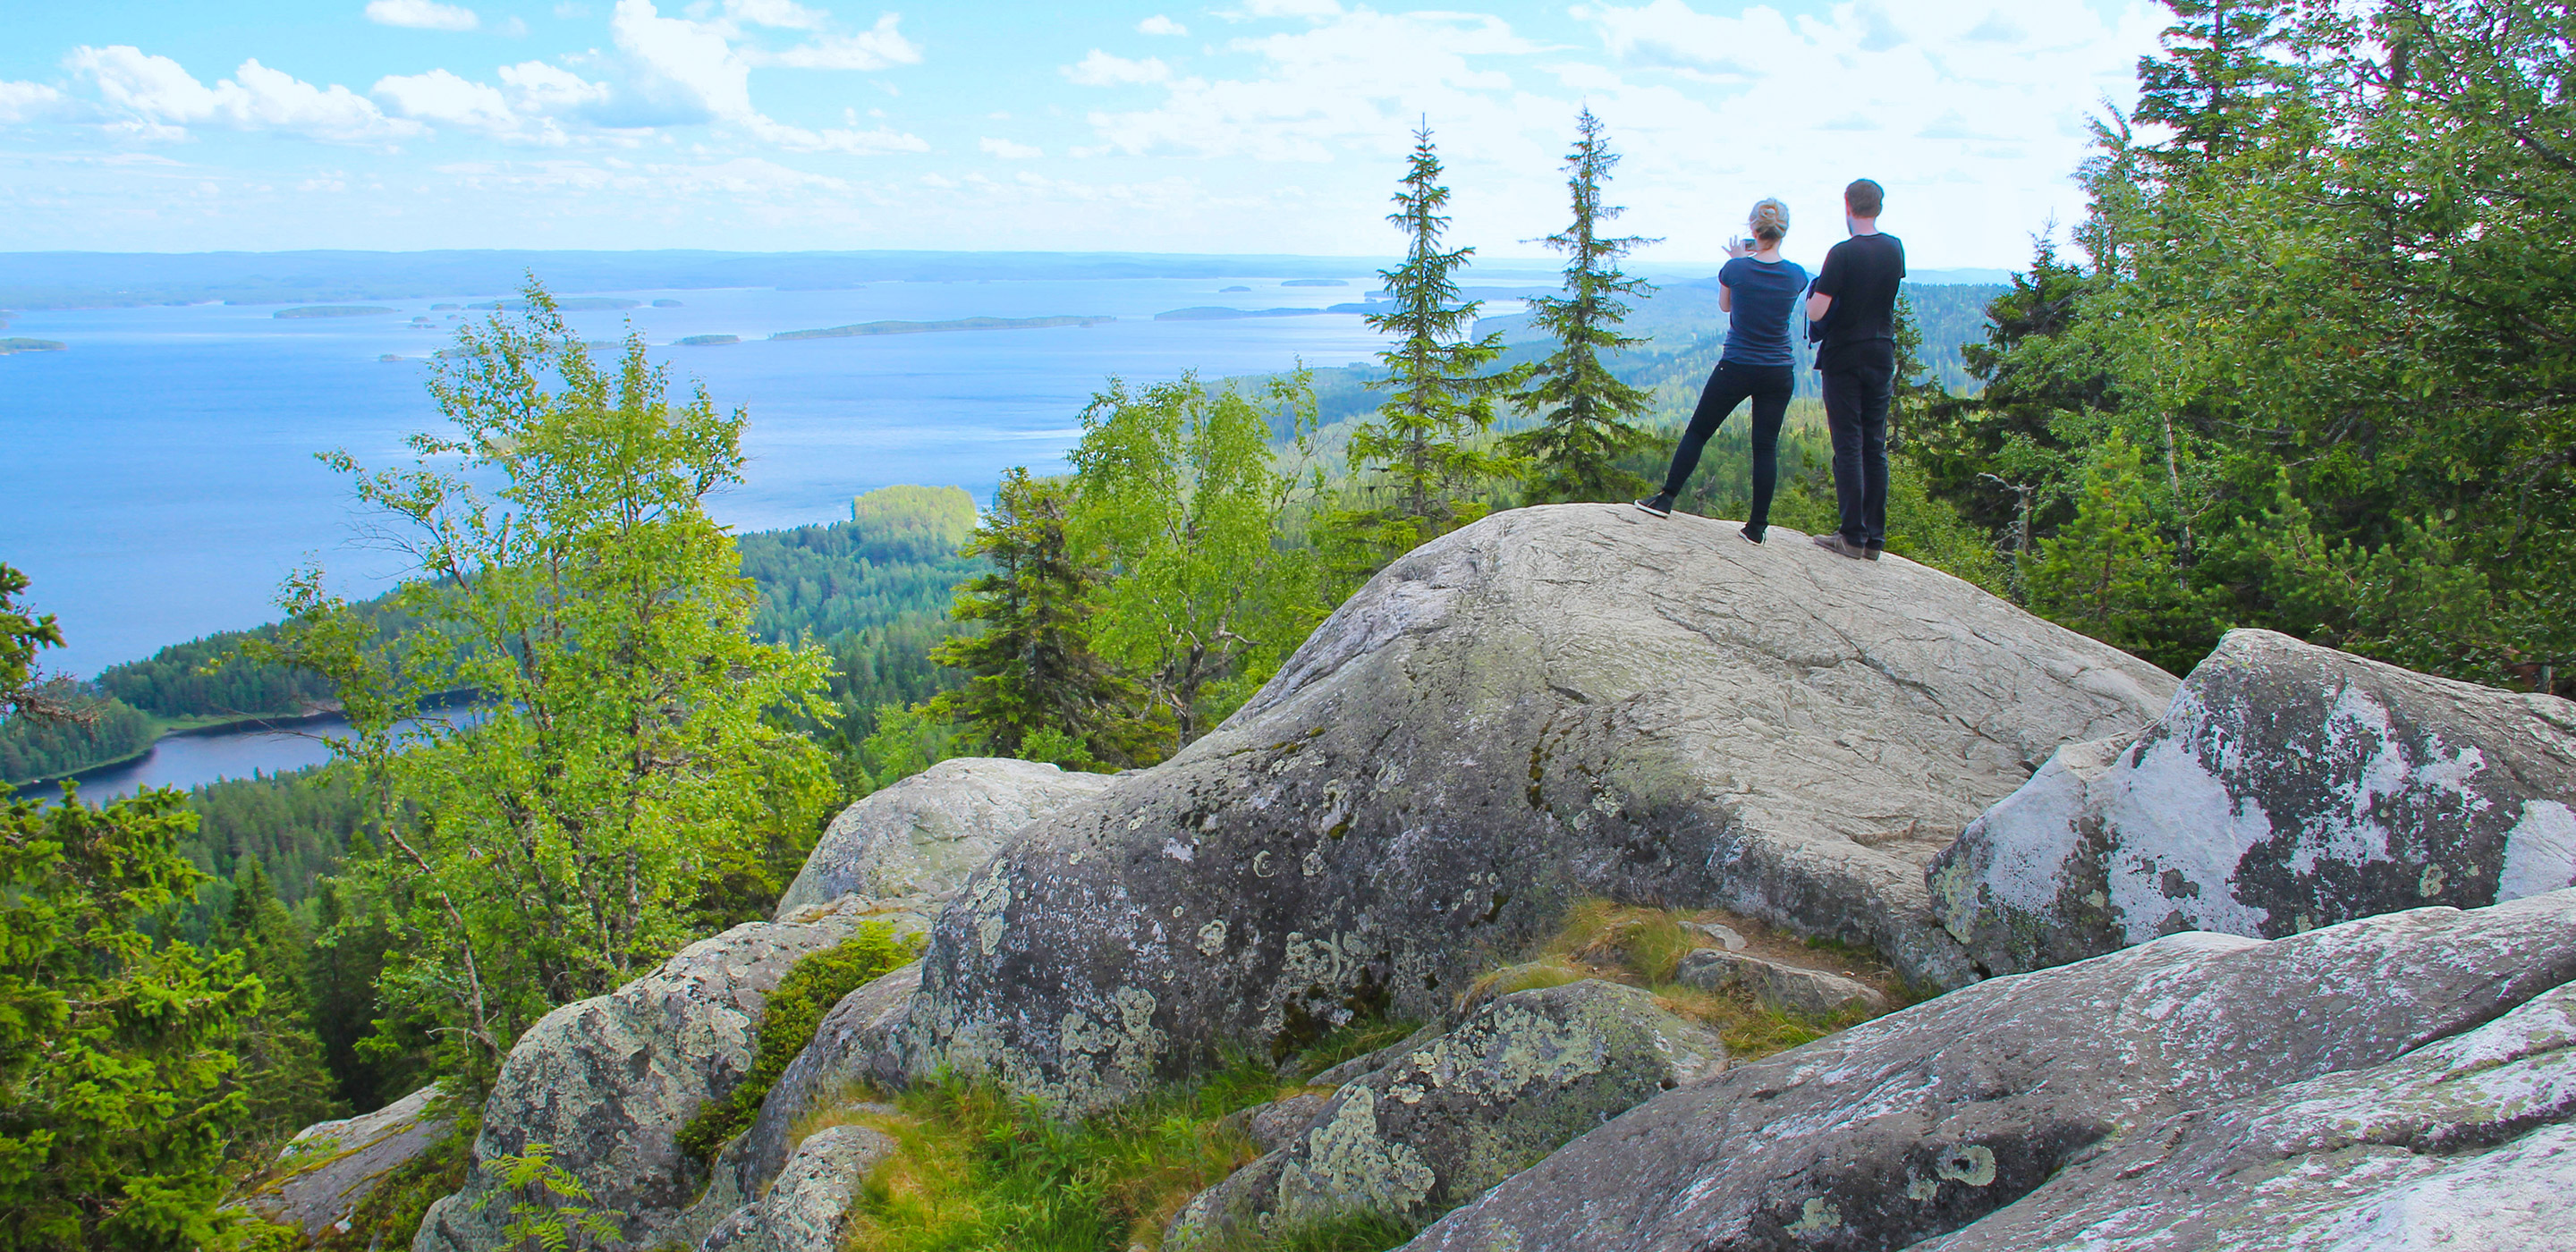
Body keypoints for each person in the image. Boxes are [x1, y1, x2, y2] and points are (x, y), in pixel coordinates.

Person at [1634, 197, 1805, 544]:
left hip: (1737, 364)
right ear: (1783, 231)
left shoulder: (1735, 269)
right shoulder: (1796, 275)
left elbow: (1726, 305)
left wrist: (1739, 261)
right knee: (1765, 446)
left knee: (1698, 431)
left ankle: (1665, 498)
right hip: (1778, 369)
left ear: (1753, 230)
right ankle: (1756, 528)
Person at [1804, 178, 1905, 561]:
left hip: (1845, 353)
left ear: (1848, 206)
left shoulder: (1842, 253)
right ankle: (1874, 539)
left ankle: (1851, 535)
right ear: (1879, 206)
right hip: (1882, 350)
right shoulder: (1894, 249)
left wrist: (1814, 293)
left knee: (1848, 443)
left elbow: (1817, 311)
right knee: (1873, 445)